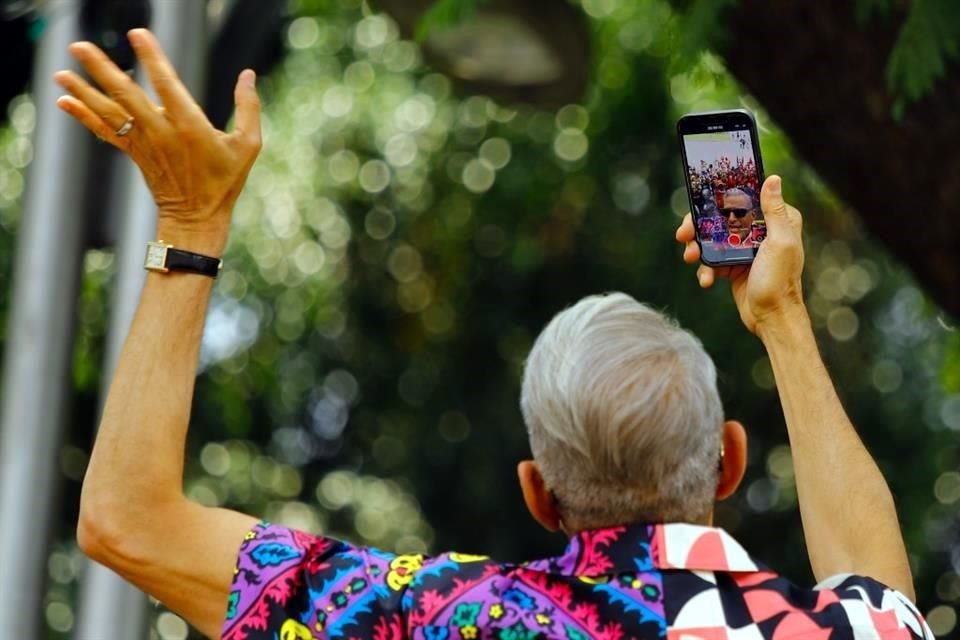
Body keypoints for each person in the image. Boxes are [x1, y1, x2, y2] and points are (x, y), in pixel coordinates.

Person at [58, 31, 932, 640]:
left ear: (538, 494)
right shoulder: (844, 631)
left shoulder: (448, 619)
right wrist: (781, 318)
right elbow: (877, 583)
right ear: (728, 461)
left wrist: (193, 222)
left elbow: (127, 522)